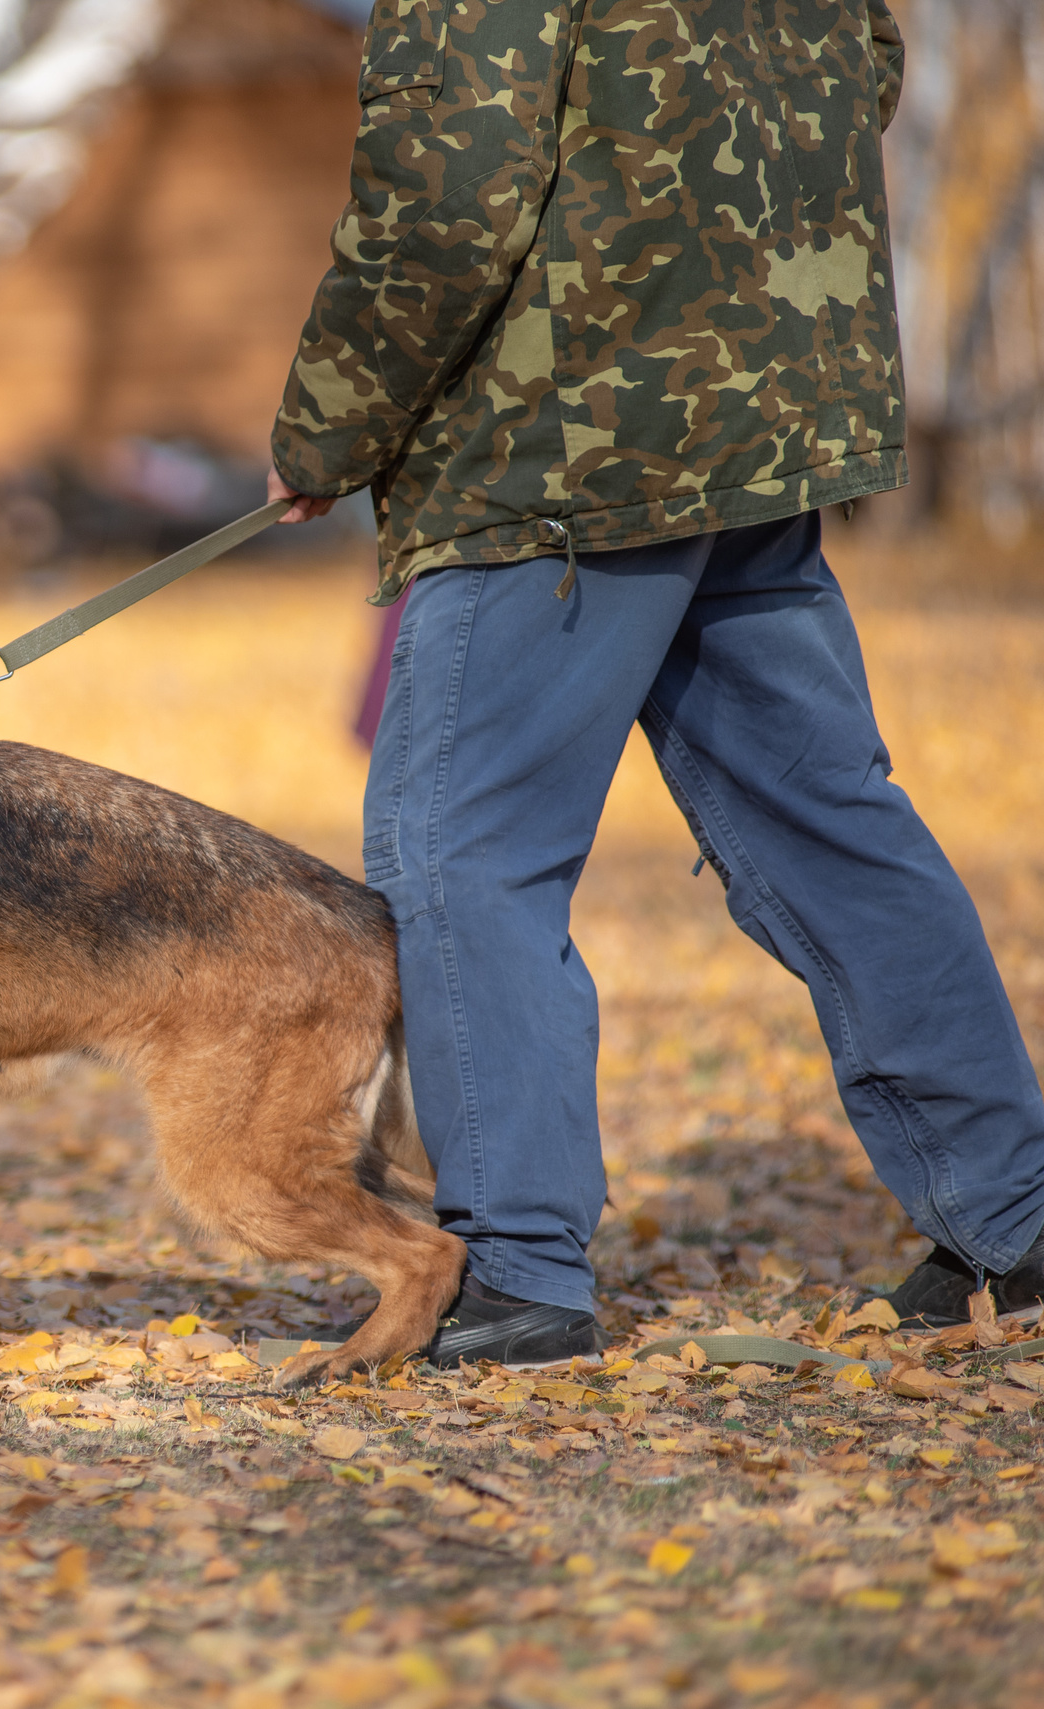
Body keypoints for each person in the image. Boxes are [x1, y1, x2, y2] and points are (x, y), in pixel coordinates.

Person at [265, 0, 1044, 1363]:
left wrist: (330, 423)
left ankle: (512, 1273)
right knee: (832, 829)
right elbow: (860, 68)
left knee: (462, 853)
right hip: (754, 421)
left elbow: (451, 191)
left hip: (563, 457)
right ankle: (1019, 1221)